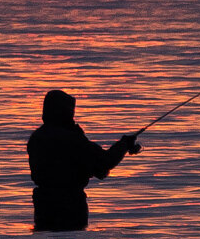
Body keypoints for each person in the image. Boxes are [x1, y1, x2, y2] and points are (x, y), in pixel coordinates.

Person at [26, 89, 141, 231]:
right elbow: (104, 162)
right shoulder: (72, 139)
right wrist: (124, 145)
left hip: (43, 205)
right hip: (70, 206)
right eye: (70, 111)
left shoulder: (36, 138)